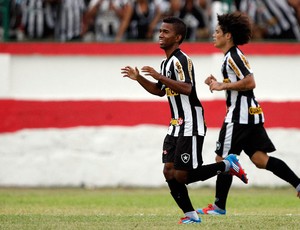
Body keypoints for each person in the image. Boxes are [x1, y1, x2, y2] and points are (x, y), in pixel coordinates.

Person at [121, 16, 248, 224]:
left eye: (166, 32)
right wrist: (140, 78)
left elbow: (187, 88)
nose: (160, 35)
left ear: (178, 37)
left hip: (190, 123)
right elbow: (159, 91)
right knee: (168, 170)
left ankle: (227, 165)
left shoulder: (181, 60)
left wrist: (159, 76)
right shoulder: (166, 62)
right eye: (160, 31)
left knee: (183, 175)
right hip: (175, 125)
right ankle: (191, 215)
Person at [197, 12, 300, 216]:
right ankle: (298, 185)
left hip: (238, 117)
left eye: (217, 31)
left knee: (222, 159)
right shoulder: (231, 57)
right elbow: (242, 83)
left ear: (228, 36)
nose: (213, 34)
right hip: (251, 115)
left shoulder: (233, 56)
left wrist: (220, 86)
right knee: (261, 160)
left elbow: (250, 82)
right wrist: (221, 83)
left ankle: (219, 206)